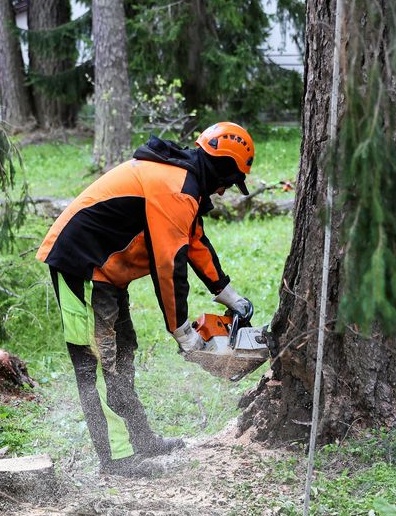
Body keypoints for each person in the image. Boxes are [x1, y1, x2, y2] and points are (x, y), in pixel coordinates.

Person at [36, 122, 256, 476]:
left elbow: (195, 243)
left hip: (107, 270)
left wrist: (228, 294)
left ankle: (140, 439)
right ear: (223, 168)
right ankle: (118, 459)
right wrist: (183, 332)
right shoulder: (176, 189)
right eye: (229, 182)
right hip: (80, 264)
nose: (225, 192)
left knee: (124, 352)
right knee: (97, 360)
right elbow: (169, 266)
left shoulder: (185, 184)